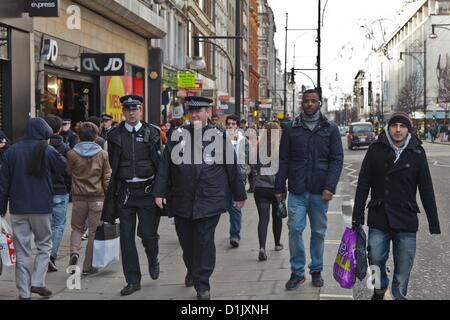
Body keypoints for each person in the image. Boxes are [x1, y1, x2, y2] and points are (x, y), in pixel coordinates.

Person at [153, 96, 247, 300]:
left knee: (204, 241)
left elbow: (232, 168)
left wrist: (239, 194)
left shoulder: (219, 137)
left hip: (209, 199)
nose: (195, 115)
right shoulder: (177, 135)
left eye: (200, 111)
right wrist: (159, 191)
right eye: (192, 111)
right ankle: (192, 268)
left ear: (207, 113)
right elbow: (165, 167)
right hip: (182, 199)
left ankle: (202, 284)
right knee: (186, 241)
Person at [352, 112, 440, 300]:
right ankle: (379, 288)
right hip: (379, 215)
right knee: (374, 258)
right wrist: (357, 216)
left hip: (406, 217)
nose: (398, 130)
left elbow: (426, 188)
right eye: (394, 125)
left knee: (403, 266)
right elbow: (363, 184)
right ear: (388, 127)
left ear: (408, 129)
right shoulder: (375, 149)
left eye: (402, 126)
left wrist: (434, 222)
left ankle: (399, 295)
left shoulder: (417, 151)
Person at [275, 88, 344, 289]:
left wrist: (330, 186)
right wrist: (279, 188)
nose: (310, 104)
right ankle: (297, 272)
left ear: (319, 103)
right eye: (306, 101)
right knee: (295, 229)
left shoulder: (330, 128)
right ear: (302, 103)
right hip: (297, 190)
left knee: (319, 232)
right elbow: (284, 160)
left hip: (320, 191)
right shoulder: (290, 128)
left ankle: (316, 270)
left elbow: (337, 160)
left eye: (314, 101)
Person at [101, 95, 162, 296]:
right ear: (123, 111)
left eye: (135, 109)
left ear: (140, 110)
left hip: (147, 192)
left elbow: (160, 165)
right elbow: (113, 164)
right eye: (128, 109)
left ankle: (153, 258)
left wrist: (162, 191)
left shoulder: (152, 132)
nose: (131, 112)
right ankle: (133, 281)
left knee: (147, 234)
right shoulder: (114, 135)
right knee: (126, 239)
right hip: (125, 193)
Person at [0, 118, 66, 299]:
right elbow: (63, 167)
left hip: (18, 208)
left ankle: (23, 292)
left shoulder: (12, 151)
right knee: (44, 245)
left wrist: (1, 207)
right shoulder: (47, 150)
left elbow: (3, 183)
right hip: (41, 206)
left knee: (22, 250)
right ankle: (38, 282)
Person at [67, 122, 111, 275]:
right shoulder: (102, 154)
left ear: (79, 135)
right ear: (95, 135)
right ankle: (87, 265)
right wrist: (108, 197)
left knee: (77, 228)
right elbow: (107, 178)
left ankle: (74, 252)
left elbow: (68, 172)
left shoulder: (72, 153)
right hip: (97, 198)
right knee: (93, 232)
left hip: (78, 197)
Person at [43, 116, 71, 272]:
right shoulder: (65, 148)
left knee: (43, 225)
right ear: (59, 129)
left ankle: (44, 254)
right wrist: (68, 188)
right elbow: (69, 172)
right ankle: (50, 256)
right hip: (60, 191)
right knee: (58, 225)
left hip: (43, 192)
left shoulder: (39, 147)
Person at [252, 122, 283, 261]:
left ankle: (262, 247)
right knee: (277, 216)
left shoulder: (258, 148)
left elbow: (254, 166)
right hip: (277, 188)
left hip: (261, 188)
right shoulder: (281, 149)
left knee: (263, 219)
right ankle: (277, 244)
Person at [225, 114, 249, 248]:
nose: (230, 126)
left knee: (235, 207)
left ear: (238, 126)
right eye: (228, 124)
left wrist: (245, 172)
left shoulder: (243, 141)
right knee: (226, 206)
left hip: (238, 178)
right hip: (223, 178)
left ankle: (235, 235)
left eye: (233, 124)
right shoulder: (221, 140)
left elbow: (249, 158)